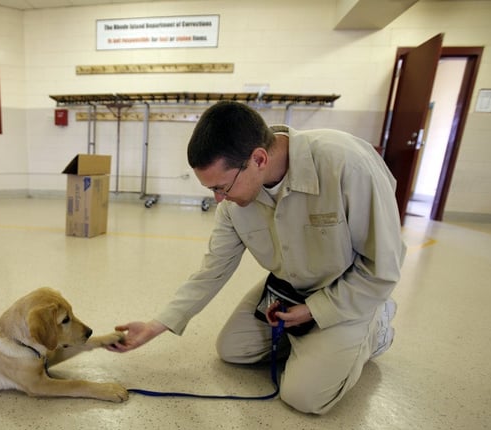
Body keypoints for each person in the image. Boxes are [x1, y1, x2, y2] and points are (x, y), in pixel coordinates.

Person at [108, 101, 406, 414]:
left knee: (304, 397)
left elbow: (382, 270)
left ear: (259, 159)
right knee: (233, 350)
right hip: (289, 289)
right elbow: (211, 271)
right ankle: (315, 345)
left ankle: (376, 326)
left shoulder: (347, 165)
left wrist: (315, 311)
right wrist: (156, 326)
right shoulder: (233, 204)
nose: (218, 199)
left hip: (348, 292)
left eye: (222, 187)